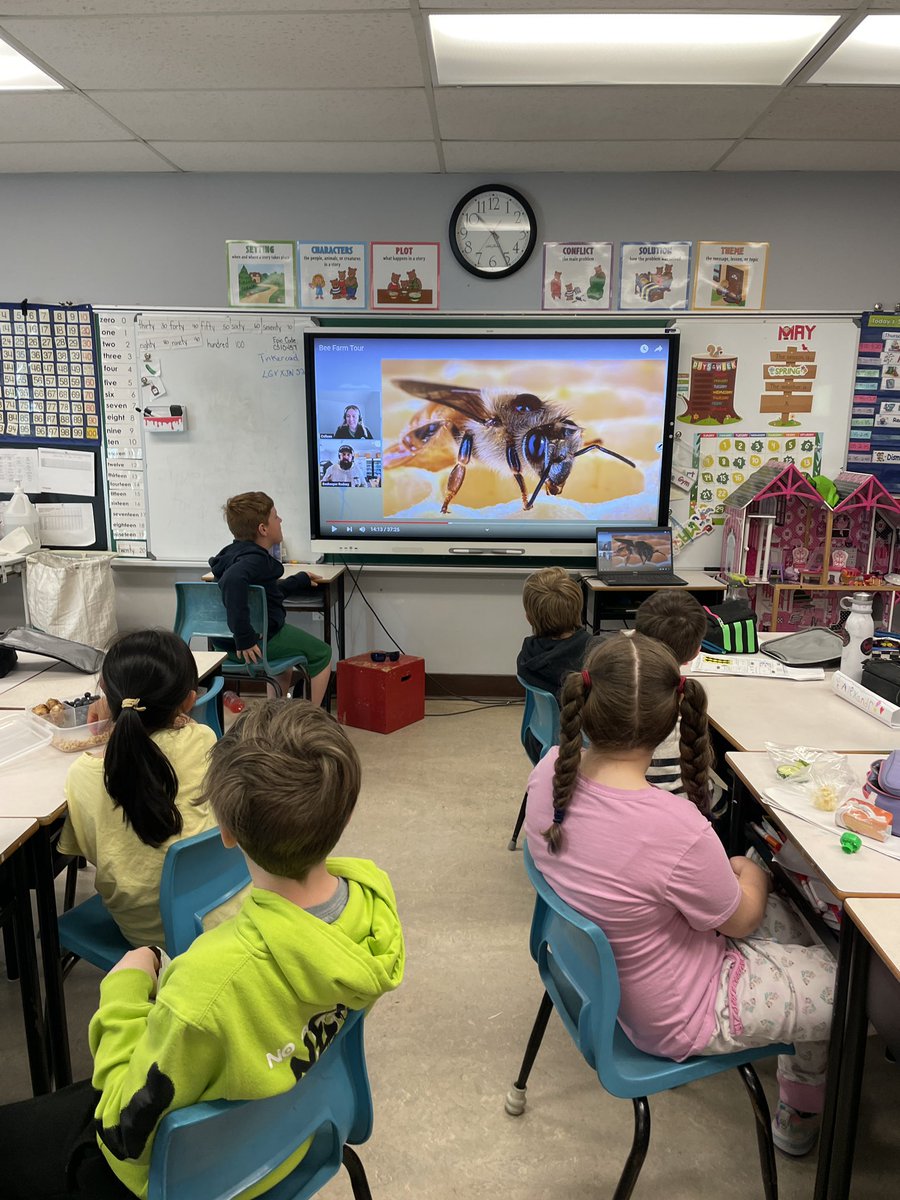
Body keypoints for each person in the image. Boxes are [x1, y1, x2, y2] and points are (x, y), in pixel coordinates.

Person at [0, 701, 405, 1200]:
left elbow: (122, 1123)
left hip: (197, 1179)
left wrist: (124, 990)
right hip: (301, 1134)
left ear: (227, 834)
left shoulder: (206, 986)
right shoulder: (372, 905)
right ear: (343, 811)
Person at [525, 633, 836, 1158]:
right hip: (678, 1012)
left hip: (606, 983)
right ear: (672, 720)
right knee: (850, 986)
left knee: (805, 929)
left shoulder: (548, 772)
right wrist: (752, 871)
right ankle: (800, 1107)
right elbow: (739, 920)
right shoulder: (674, 826)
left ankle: (802, 1083)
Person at [59, 629, 227, 949]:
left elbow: (80, 851)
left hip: (147, 937)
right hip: (220, 908)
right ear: (190, 702)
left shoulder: (82, 775)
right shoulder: (203, 739)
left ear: (106, 694)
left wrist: (116, 710)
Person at [209, 492, 332, 705]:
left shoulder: (232, 554)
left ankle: (273, 718)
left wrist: (299, 580)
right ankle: (309, 722)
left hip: (222, 644)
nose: (280, 520)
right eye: (275, 516)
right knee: (322, 654)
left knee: (283, 667)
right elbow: (232, 580)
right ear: (263, 529)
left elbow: (264, 596)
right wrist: (244, 637)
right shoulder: (255, 560)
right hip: (254, 643)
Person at [633, 589, 721, 807]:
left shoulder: (618, 689)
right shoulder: (687, 698)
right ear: (696, 652)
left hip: (631, 799)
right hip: (683, 804)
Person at [517, 566, 600, 761]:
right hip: (586, 747)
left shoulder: (526, 655)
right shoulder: (596, 656)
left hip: (539, 740)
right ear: (578, 609)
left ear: (529, 617)